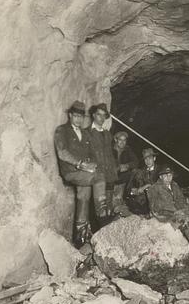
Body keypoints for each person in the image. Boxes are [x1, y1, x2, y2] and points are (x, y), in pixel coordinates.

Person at [53, 100, 108, 247]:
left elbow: (92, 154)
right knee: (98, 177)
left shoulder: (85, 133)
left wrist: (94, 164)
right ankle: (103, 216)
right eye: (76, 116)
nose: (78, 119)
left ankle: (80, 237)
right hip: (71, 171)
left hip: (84, 173)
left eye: (81, 117)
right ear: (70, 115)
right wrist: (81, 164)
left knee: (83, 197)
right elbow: (62, 153)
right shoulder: (61, 130)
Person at [146, 166, 189, 248]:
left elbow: (181, 199)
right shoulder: (154, 188)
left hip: (178, 212)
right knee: (184, 221)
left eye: (170, 175)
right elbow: (155, 208)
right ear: (160, 177)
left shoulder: (175, 185)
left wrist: (185, 210)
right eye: (165, 175)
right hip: (165, 215)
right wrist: (173, 213)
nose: (168, 178)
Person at [87, 103, 118, 217]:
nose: (101, 118)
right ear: (94, 115)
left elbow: (110, 154)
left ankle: (108, 226)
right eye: (99, 115)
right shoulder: (87, 133)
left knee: (109, 204)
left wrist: (114, 168)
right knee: (98, 206)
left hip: (109, 173)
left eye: (104, 115)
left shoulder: (107, 134)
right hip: (97, 175)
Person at [126, 147, 159, 215]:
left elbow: (160, 184)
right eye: (145, 159)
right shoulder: (141, 171)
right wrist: (133, 191)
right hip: (143, 200)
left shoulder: (160, 170)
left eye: (150, 158)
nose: (148, 161)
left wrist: (146, 186)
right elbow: (131, 187)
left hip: (157, 198)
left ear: (154, 158)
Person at [112, 131, 139, 213]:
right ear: (116, 140)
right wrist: (117, 167)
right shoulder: (109, 149)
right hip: (110, 177)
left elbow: (136, 161)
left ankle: (123, 202)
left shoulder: (127, 150)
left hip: (121, 178)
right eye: (120, 140)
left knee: (134, 172)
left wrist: (126, 166)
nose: (122, 142)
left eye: (124, 140)